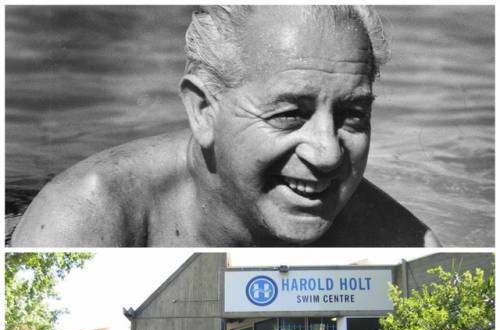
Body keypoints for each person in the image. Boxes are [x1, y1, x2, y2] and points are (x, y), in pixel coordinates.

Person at [12, 5, 440, 247]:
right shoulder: (82, 221)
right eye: (290, 113)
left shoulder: (404, 244)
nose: (327, 153)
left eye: (353, 115)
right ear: (203, 110)